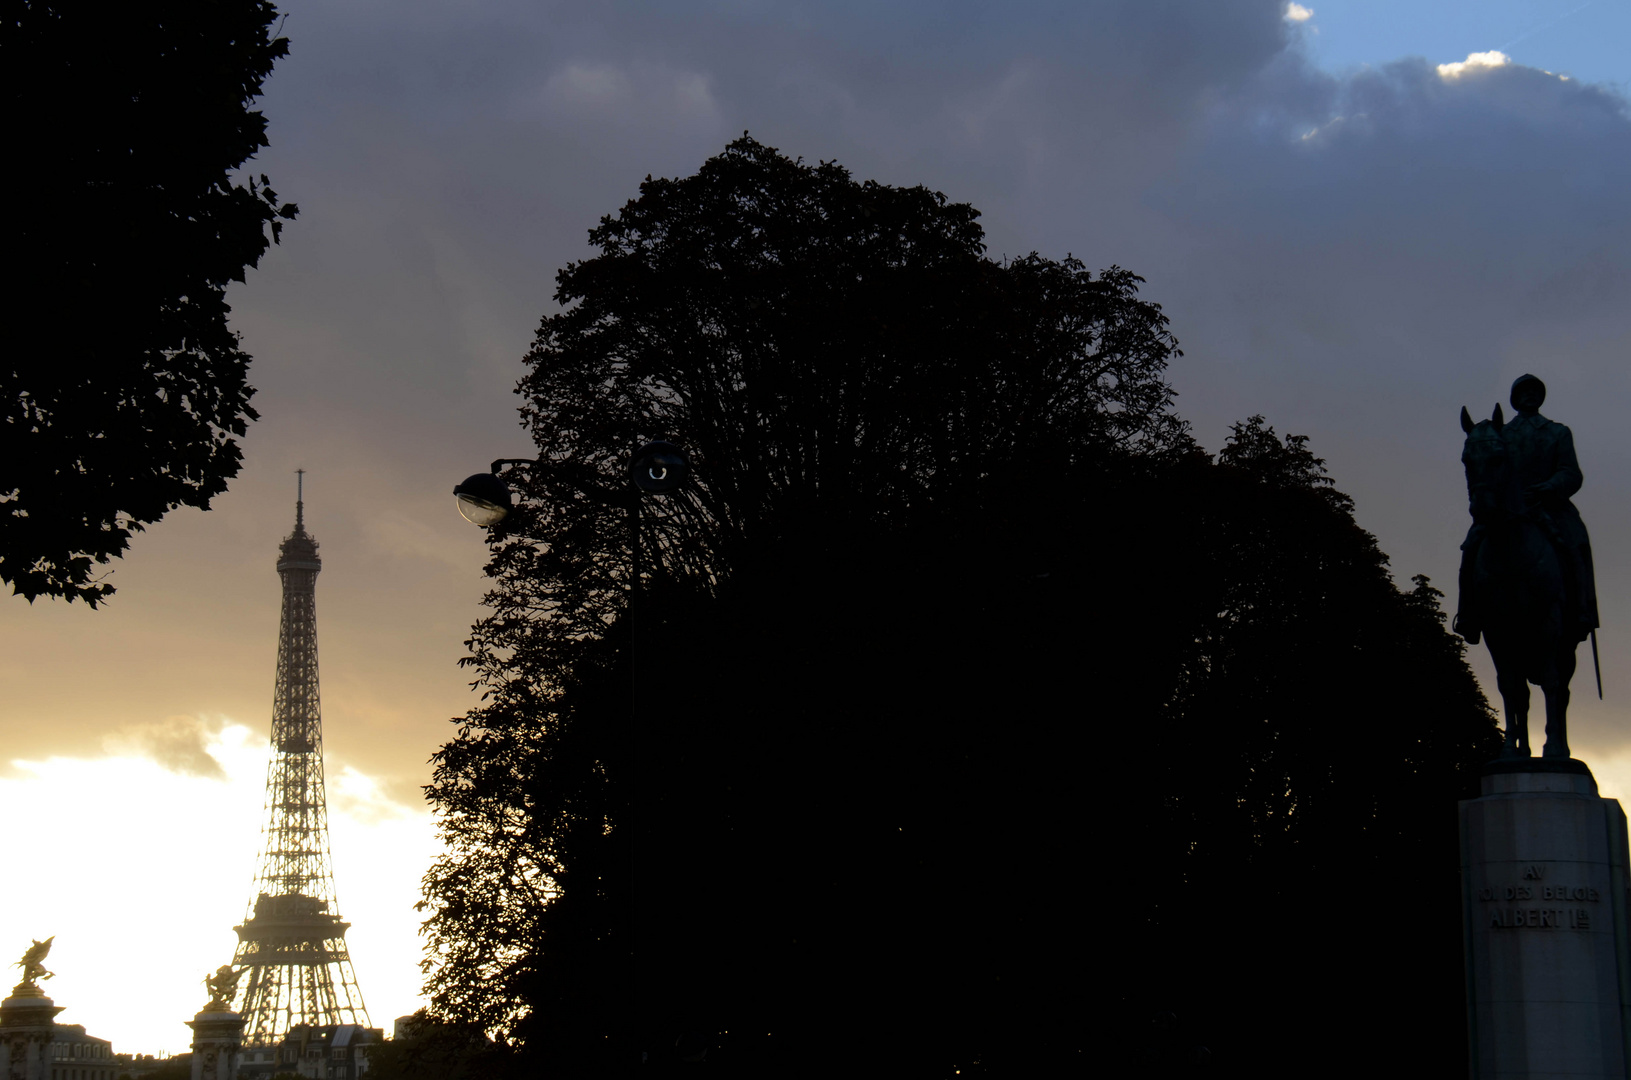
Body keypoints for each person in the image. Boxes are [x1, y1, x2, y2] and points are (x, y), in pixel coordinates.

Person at [1456, 373, 1598, 644]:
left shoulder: (1558, 432)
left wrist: (1549, 487)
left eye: (1534, 392)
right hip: (1506, 509)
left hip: (1550, 506)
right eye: (1523, 392)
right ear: (1515, 399)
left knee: (1576, 542)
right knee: (1471, 547)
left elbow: (1571, 473)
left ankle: (1582, 609)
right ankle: (1467, 614)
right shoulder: (1500, 434)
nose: (1529, 396)